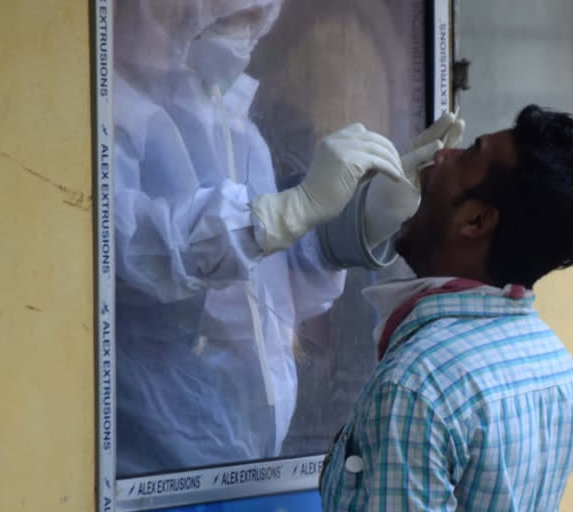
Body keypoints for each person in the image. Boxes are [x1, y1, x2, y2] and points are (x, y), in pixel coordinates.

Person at [112, 0, 463, 475]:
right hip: (155, 441)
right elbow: (131, 249)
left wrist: (358, 224)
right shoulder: (113, 117)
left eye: (256, 20)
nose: (245, 35)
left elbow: (273, 287)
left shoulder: (238, 133)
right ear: (174, 12)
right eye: (231, 18)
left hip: (247, 438)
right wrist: (284, 214)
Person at [319, 105, 573, 511]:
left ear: (476, 220)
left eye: (468, 154)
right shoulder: (556, 366)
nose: (441, 155)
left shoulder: (417, 384)